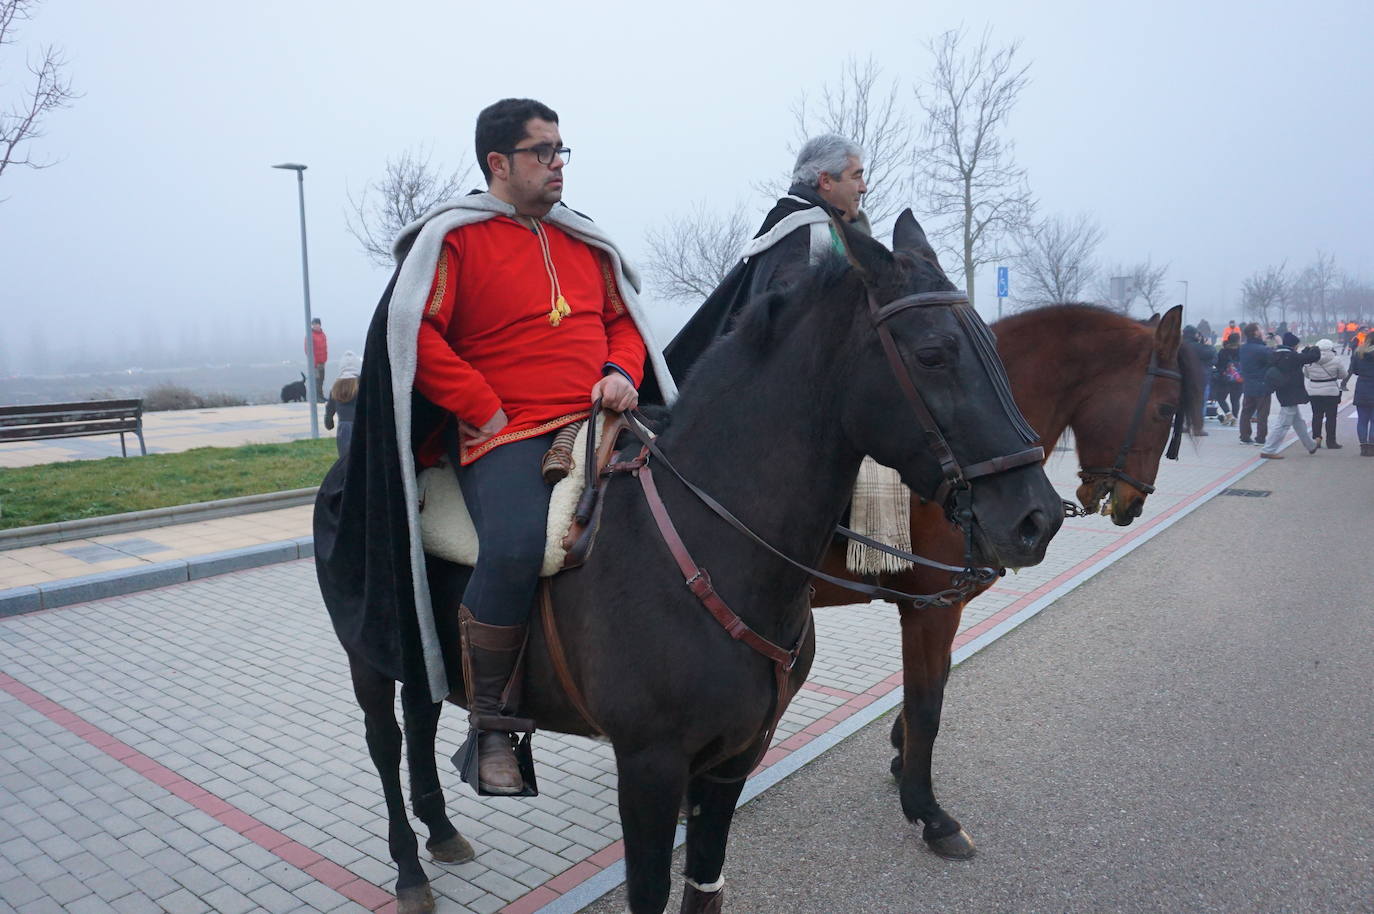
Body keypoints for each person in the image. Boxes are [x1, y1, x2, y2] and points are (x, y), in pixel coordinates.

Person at [661, 133, 869, 386]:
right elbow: (791, 329)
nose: (863, 187)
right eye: (856, 176)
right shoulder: (798, 233)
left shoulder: (834, 227)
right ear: (825, 180)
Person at [1258, 332, 1321, 459]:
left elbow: (1299, 358)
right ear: (1293, 345)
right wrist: (1315, 348)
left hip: (1283, 392)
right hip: (1291, 394)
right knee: (1283, 424)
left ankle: (1311, 445)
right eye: (1297, 345)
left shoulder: (1278, 354)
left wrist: (1305, 351)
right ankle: (1268, 450)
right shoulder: (1291, 356)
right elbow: (1312, 357)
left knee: (1298, 422)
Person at [1303, 339, 1347, 449]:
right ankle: (1331, 442)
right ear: (1331, 348)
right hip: (1331, 392)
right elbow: (1343, 375)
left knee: (1316, 415)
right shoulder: (1336, 359)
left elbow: (1307, 375)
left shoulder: (1309, 359)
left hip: (1314, 391)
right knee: (1331, 417)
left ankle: (1316, 439)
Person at [1237, 322, 1273, 446]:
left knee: (1246, 411)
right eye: (1260, 329)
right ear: (1256, 333)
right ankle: (1260, 438)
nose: (1263, 331)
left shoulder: (1243, 348)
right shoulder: (1262, 349)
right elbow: (1273, 358)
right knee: (1262, 413)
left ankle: (1244, 436)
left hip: (1248, 384)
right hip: (1262, 385)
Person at [324, 351, 361, 458]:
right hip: (360, 426)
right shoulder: (362, 385)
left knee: (345, 459)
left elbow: (329, 410)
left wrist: (329, 423)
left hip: (343, 429)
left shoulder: (335, 387)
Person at [1182, 325, 1214, 433]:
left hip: (1184, 378)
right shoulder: (1198, 347)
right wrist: (1207, 344)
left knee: (1185, 404)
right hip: (1200, 379)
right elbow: (1212, 353)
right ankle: (1198, 427)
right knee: (1200, 403)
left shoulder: (1181, 345)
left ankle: (1186, 425)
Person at [1350, 334, 1374, 455]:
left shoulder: (1358, 353)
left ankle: (1363, 447)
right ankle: (1372, 446)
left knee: (1362, 420)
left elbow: (1354, 370)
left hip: (1362, 386)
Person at [1211, 335, 1242, 424]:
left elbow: (1217, 364)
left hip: (1224, 379)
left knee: (1220, 398)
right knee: (1235, 400)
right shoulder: (1242, 351)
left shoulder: (1223, 351)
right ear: (1238, 340)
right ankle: (1235, 418)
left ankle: (1228, 414)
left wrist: (1223, 371)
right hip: (1238, 379)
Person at [307, 317, 328, 399]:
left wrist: (325, 359)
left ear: (320, 325)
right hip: (314, 363)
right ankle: (317, 397)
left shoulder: (323, 335)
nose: (315, 326)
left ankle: (321, 396)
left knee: (321, 379)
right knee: (317, 380)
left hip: (322, 362)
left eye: (317, 324)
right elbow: (308, 350)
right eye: (314, 324)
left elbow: (325, 348)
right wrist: (313, 361)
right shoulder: (310, 335)